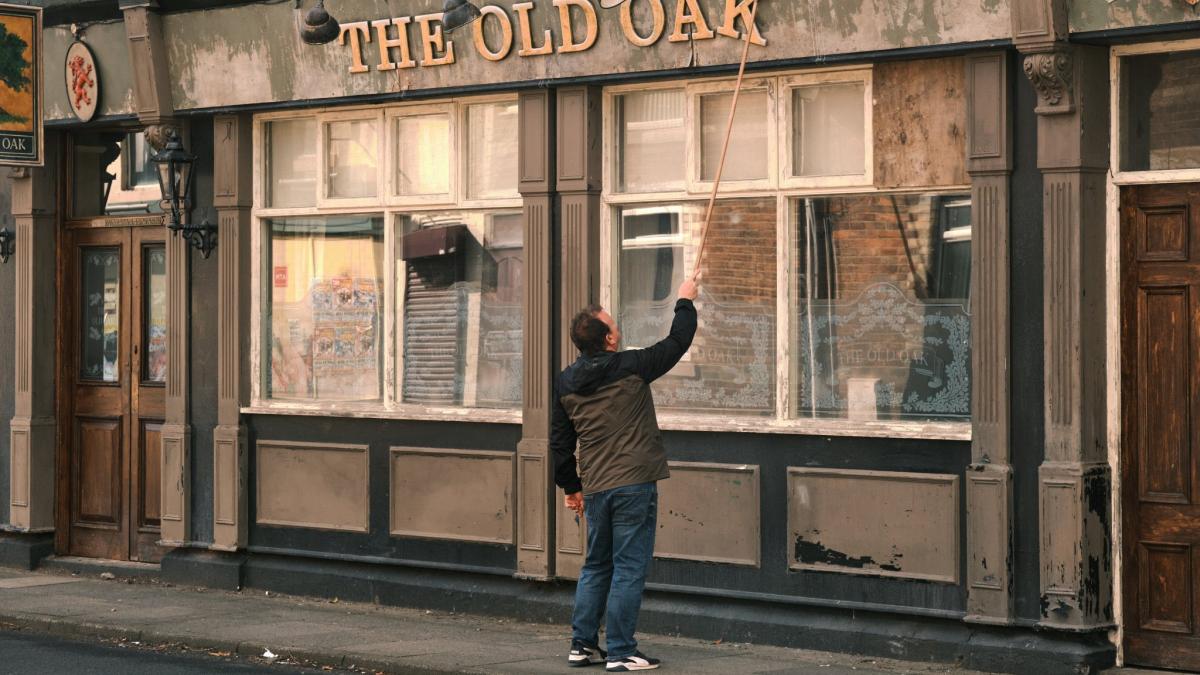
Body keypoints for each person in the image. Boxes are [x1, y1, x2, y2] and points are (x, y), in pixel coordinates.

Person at [551, 279, 699, 672]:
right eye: (613, 325)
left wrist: (572, 488)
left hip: (597, 486)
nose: (618, 329)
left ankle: (581, 645)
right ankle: (620, 651)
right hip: (633, 481)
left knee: (597, 565)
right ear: (609, 340)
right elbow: (678, 341)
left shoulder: (565, 382)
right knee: (629, 567)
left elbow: (560, 444)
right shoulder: (632, 367)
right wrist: (684, 299)